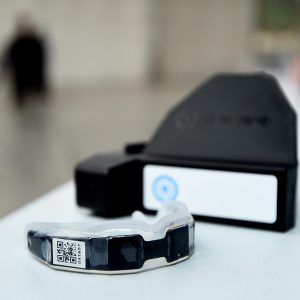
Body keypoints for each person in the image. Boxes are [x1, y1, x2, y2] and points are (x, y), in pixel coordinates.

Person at [2, 15, 47, 105]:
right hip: (20, 80)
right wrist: (4, 71)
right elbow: (7, 58)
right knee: (22, 103)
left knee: (35, 103)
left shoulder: (36, 42)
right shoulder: (16, 42)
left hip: (33, 80)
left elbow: (42, 63)